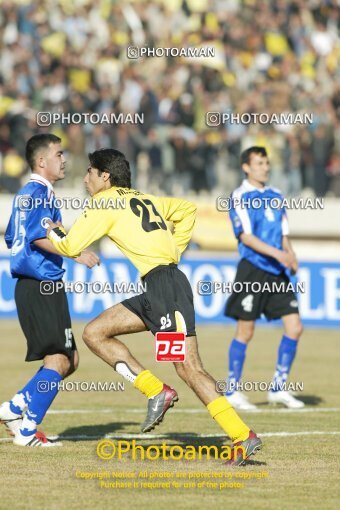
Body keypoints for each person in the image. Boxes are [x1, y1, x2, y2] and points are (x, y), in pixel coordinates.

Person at [46, 148, 262, 466]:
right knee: (95, 332)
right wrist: (174, 250)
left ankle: (242, 436)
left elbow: (69, 245)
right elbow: (186, 210)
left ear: (105, 176)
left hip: (165, 289)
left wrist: (51, 227)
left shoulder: (104, 202)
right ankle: (156, 391)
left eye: (90, 171)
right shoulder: (143, 198)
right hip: (161, 287)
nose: (85, 178)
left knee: (188, 366)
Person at [0, 134, 99, 447]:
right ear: (41, 161)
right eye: (58, 154)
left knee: (70, 358)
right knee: (59, 360)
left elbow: (13, 236)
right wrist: (75, 253)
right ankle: (27, 431)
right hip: (41, 284)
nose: (63, 159)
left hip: (38, 285)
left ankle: (13, 408)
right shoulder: (38, 192)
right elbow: (36, 236)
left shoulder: (28, 193)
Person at [224, 146, 304, 410]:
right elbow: (246, 236)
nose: (265, 167)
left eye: (267, 163)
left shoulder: (276, 195)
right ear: (246, 167)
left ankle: (278, 389)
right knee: (245, 331)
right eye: (259, 163)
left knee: (295, 327)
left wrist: (290, 255)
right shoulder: (239, 196)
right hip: (253, 269)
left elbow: (283, 234)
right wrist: (279, 255)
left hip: (277, 271)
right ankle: (232, 390)